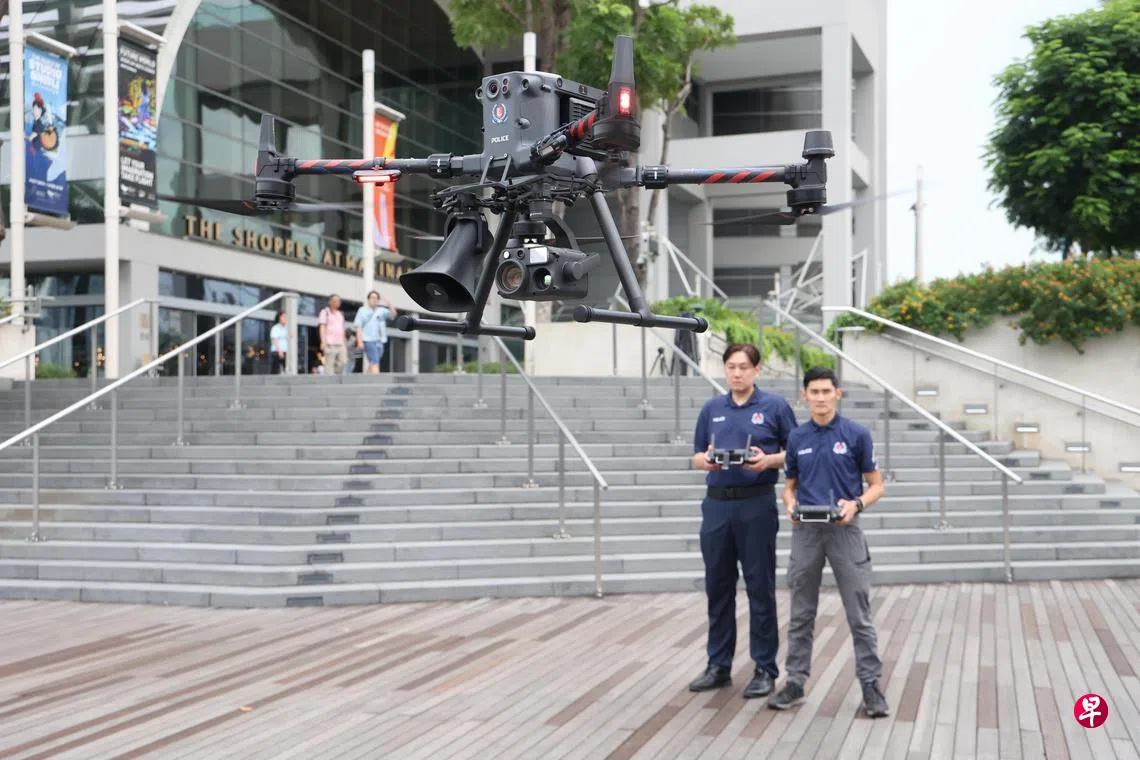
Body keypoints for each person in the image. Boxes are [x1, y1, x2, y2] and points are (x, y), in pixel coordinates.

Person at [767, 367, 890, 718]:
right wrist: (789, 503)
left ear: (838, 394)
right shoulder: (797, 438)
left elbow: (877, 485)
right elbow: (789, 484)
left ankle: (871, 686)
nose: (820, 398)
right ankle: (795, 682)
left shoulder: (856, 435)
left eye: (826, 391)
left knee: (859, 613)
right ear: (804, 396)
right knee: (801, 612)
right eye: (814, 392)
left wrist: (857, 504)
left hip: (845, 530)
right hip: (806, 531)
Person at [688, 343, 798, 699]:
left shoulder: (774, 407)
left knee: (759, 587)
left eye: (743, 367)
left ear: (756, 371)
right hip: (717, 507)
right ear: (725, 370)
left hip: (756, 505)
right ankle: (718, 665)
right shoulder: (712, 409)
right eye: (731, 367)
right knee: (718, 587)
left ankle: (764, 668)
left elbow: (793, 454)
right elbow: (696, 455)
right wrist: (704, 461)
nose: (737, 373)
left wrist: (768, 461)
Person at [353, 290, 397, 374]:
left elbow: (393, 314)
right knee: (375, 360)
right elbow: (358, 326)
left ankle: (367, 379)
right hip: (368, 339)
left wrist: (387, 301)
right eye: (372, 298)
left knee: (373, 361)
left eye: (376, 298)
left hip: (380, 340)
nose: (374, 300)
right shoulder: (362, 310)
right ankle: (377, 380)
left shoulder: (382, 310)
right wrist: (359, 341)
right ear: (368, 299)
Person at [318, 295, 347, 376]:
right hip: (329, 342)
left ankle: (333, 372)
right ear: (330, 302)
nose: (337, 302)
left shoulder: (340, 314)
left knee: (343, 361)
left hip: (340, 343)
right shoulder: (325, 312)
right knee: (329, 364)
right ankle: (328, 380)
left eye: (338, 301)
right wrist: (323, 341)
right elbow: (322, 327)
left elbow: (342, 327)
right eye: (334, 300)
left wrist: (344, 340)